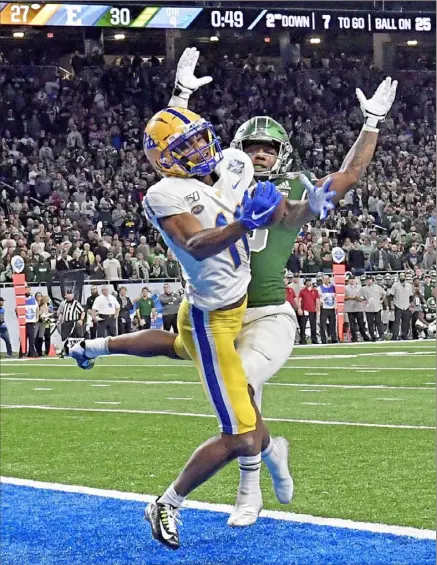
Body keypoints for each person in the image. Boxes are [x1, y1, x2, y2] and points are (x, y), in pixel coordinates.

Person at [70, 49, 398, 539]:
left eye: (270, 147)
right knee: (191, 354)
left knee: (238, 388)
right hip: (215, 306)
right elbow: (172, 149)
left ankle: (243, 484)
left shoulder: (280, 184)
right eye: (254, 146)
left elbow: (345, 178)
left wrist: (370, 123)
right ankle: (266, 455)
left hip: (265, 311)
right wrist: (179, 98)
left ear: (282, 153)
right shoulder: (221, 173)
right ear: (240, 148)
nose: (261, 154)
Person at [387, 273, 414, 340]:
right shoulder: (395, 285)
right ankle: (395, 336)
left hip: (406, 305)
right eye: (400, 276)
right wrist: (392, 304)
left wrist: (411, 305)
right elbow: (391, 296)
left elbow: (411, 296)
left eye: (403, 276)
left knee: (406, 322)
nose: (402, 277)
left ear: (405, 277)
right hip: (398, 305)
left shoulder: (409, 285)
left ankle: (404, 335)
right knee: (396, 322)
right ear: (399, 277)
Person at [344, 275, 370, 342]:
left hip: (358, 307)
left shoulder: (360, 288)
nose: (352, 281)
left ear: (355, 280)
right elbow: (343, 297)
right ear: (349, 280)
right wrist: (351, 298)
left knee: (361, 323)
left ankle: (364, 336)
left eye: (353, 279)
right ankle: (354, 337)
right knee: (352, 324)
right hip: (350, 308)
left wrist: (360, 299)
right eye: (351, 279)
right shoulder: (345, 288)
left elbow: (364, 297)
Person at [362, 275, 386, 341]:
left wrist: (382, 300)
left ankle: (381, 335)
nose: (368, 281)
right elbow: (359, 297)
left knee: (379, 322)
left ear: (372, 280)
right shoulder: (363, 289)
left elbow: (384, 294)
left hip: (377, 308)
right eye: (367, 280)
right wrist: (363, 301)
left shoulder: (378, 287)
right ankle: (373, 336)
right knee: (370, 323)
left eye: (370, 280)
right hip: (368, 309)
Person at [297, 278, 319, 344]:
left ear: (311, 282)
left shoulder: (315, 291)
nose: (308, 283)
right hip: (305, 309)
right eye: (307, 281)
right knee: (303, 325)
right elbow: (299, 300)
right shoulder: (302, 291)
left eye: (309, 281)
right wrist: (299, 308)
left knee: (313, 325)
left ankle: (314, 339)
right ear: (305, 282)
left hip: (313, 310)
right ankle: (302, 339)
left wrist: (318, 310)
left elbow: (317, 301)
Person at [318, 275, 338, 344]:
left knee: (333, 324)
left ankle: (333, 338)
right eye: (325, 279)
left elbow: (336, 296)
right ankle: (323, 339)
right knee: (322, 325)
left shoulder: (333, 287)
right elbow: (319, 298)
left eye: (327, 279)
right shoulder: (320, 288)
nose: (326, 280)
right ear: (323, 280)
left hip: (332, 308)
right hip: (324, 308)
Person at [24, 286, 38, 357]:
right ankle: (22, 353)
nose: (28, 291)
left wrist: (37, 318)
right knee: (23, 338)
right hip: (24, 322)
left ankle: (32, 353)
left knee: (31, 338)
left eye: (29, 290)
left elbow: (36, 309)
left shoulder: (33, 299)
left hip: (31, 321)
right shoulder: (21, 299)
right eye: (26, 290)